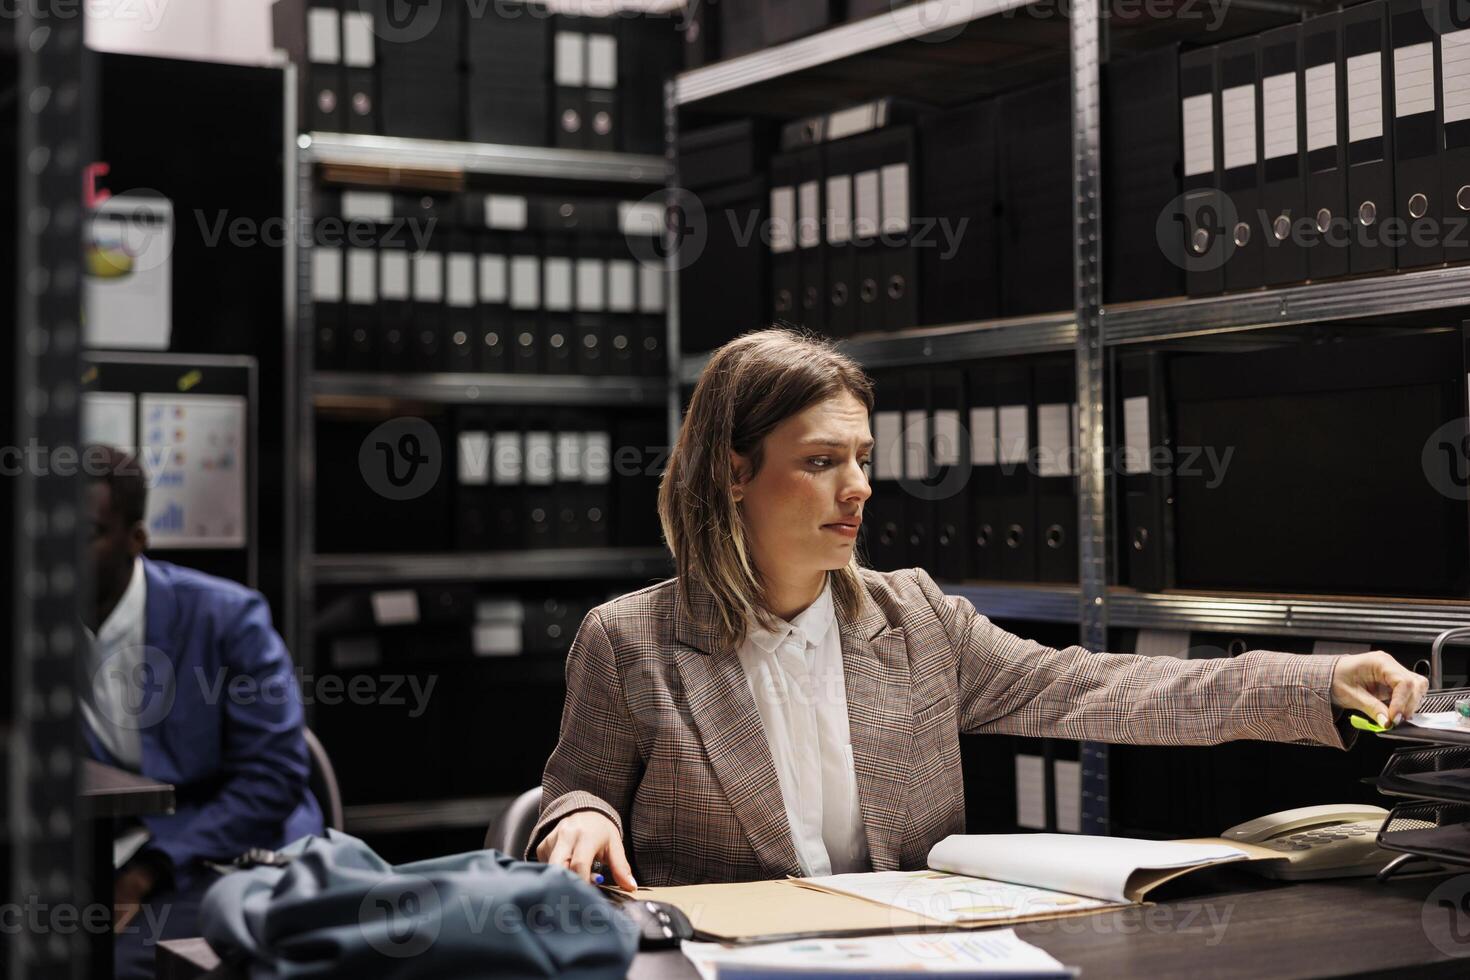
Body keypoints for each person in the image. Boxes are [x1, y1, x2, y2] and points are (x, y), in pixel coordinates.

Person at [528, 327, 1428, 890]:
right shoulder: (632, 641)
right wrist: (584, 815)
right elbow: (578, 789)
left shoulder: (915, 620)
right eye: (820, 462)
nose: (860, 489)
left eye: (863, 457)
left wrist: (1320, 681)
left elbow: (1106, 688)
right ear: (732, 472)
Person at [83, 447, 323, 978]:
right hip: (110, 856)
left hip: (228, 853)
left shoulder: (226, 617)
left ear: (135, 539)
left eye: (85, 535)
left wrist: (150, 868)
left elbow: (274, 776)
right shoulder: (35, 630)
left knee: (114, 965)